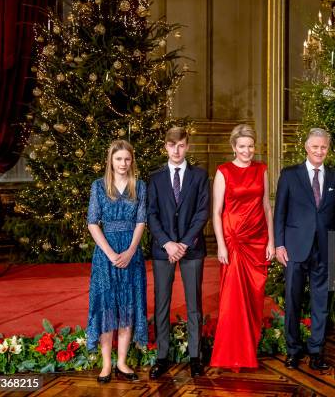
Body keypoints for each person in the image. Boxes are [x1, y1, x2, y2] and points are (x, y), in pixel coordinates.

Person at [274, 128, 335, 371]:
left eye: (323, 147)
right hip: (294, 248)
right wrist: (279, 244)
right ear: (306, 147)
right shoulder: (290, 174)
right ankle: (293, 350)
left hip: (324, 248)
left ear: (328, 149)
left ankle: (316, 351)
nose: (319, 151)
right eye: (315, 147)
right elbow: (279, 212)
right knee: (292, 301)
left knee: (321, 302)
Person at [210, 124, 275, 370]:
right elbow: (217, 212)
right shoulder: (223, 171)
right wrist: (221, 245)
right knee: (233, 299)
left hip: (257, 240)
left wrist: (271, 240)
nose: (247, 151)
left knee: (255, 297)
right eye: (242, 147)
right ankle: (232, 355)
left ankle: (250, 349)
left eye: (250, 146)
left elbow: (267, 207)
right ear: (234, 148)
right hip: (234, 241)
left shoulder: (262, 169)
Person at [147, 127, 210, 379]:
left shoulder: (200, 176)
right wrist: (167, 243)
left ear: (187, 146)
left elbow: (202, 212)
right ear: (165, 147)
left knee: (194, 303)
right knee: (161, 303)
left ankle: (195, 356)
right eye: (172, 145)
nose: (176, 150)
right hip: (163, 250)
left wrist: (183, 243)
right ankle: (162, 356)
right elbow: (150, 214)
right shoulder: (155, 177)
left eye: (181, 145)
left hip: (191, 249)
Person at [86, 140, 147, 383]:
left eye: (127, 159)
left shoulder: (139, 186)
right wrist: (111, 254)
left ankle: (122, 361)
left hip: (132, 253)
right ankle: (106, 364)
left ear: (132, 161)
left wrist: (132, 250)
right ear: (110, 161)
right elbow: (92, 222)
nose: (123, 164)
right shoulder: (99, 186)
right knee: (107, 307)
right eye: (119, 159)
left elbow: (142, 221)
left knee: (128, 305)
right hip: (105, 254)